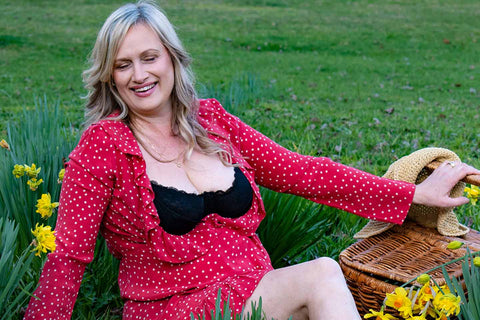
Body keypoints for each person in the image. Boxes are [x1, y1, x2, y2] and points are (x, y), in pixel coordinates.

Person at [24, 1, 480, 320]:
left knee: (318, 292)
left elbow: (301, 171)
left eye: (150, 57)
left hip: (260, 297)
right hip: (177, 308)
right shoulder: (104, 146)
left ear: (172, 60)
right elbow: (68, 258)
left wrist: (414, 194)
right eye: (124, 65)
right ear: (110, 76)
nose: (140, 75)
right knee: (322, 274)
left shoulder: (213, 120)